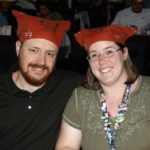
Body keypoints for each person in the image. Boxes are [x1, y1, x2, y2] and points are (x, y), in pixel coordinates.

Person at [56, 25, 150, 150]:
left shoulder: (147, 90)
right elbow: (66, 146)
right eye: (94, 55)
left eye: (109, 51)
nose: (102, 61)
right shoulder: (81, 97)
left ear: (124, 53)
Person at [0, 10, 83, 150]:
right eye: (34, 50)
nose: (41, 61)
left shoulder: (69, 84)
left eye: (50, 54)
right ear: (18, 48)